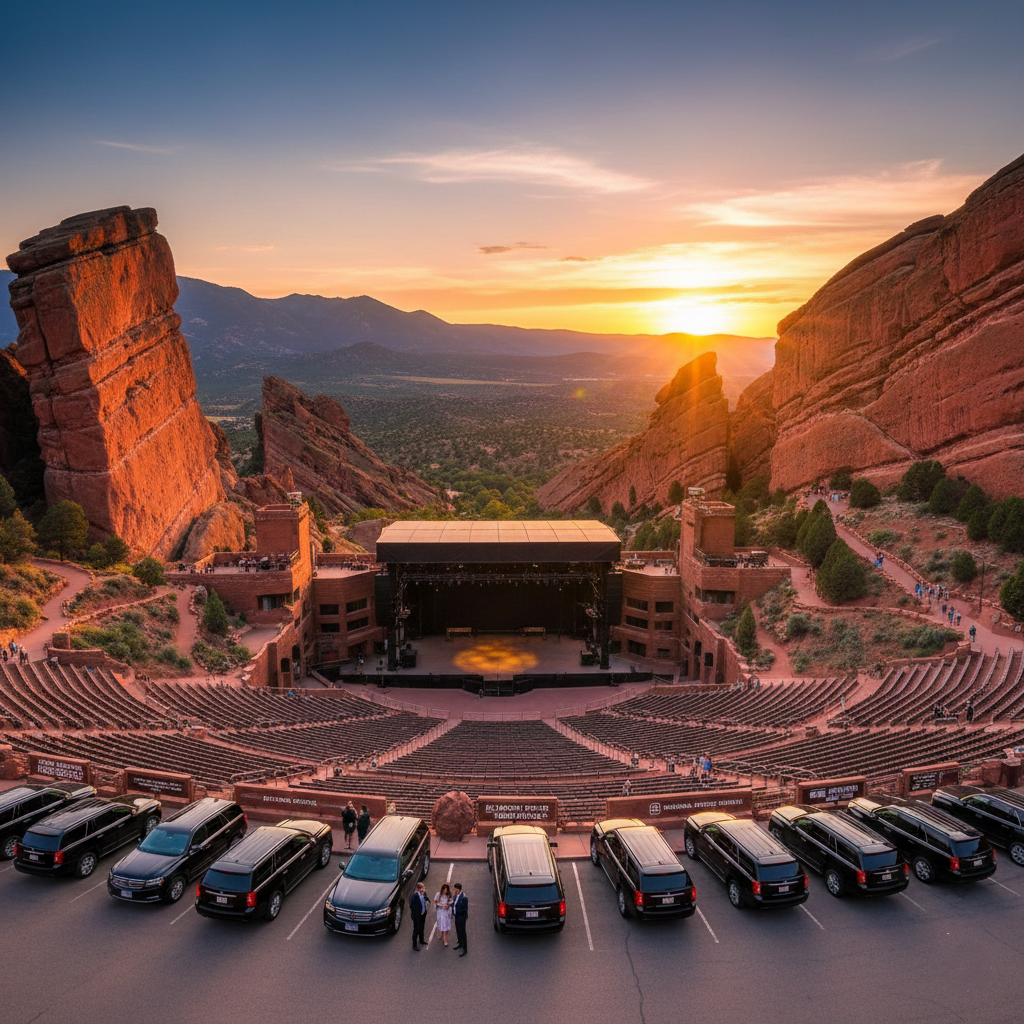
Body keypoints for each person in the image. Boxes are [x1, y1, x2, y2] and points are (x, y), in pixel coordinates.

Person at [410, 882, 429, 951]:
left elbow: (426, 898)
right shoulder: (414, 896)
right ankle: (414, 945)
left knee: (422, 928)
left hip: (423, 914)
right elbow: (411, 905)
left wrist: (428, 901)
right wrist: (417, 912)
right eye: (422, 889)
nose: (423, 890)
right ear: (418, 889)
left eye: (423, 888)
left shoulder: (423, 893)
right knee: (416, 930)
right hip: (417, 916)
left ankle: (421, 940)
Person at [434, 882, 453, 947]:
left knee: (446, 924)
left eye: (446, 890)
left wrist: (448, 905)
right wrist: (442, 906)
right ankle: (442, 935)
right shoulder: (438, 894)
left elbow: (451, 901)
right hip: (441, 912)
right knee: (442, 923)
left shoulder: (449, 895)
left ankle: (445, 937)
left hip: (447, 912)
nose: (445, 891)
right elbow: (436, 901)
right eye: (444, 890)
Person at [452, 883, 469, 956]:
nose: (454, 891)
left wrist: (456, 910)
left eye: (455, 890)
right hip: (457, 916)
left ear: (459, 890)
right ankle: (460, 943)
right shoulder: (456, 895)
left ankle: (465, 948)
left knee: (462, 932)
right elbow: (454, 904)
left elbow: (464, 909)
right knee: (458, 930)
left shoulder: (464, 898)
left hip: (461, 917)